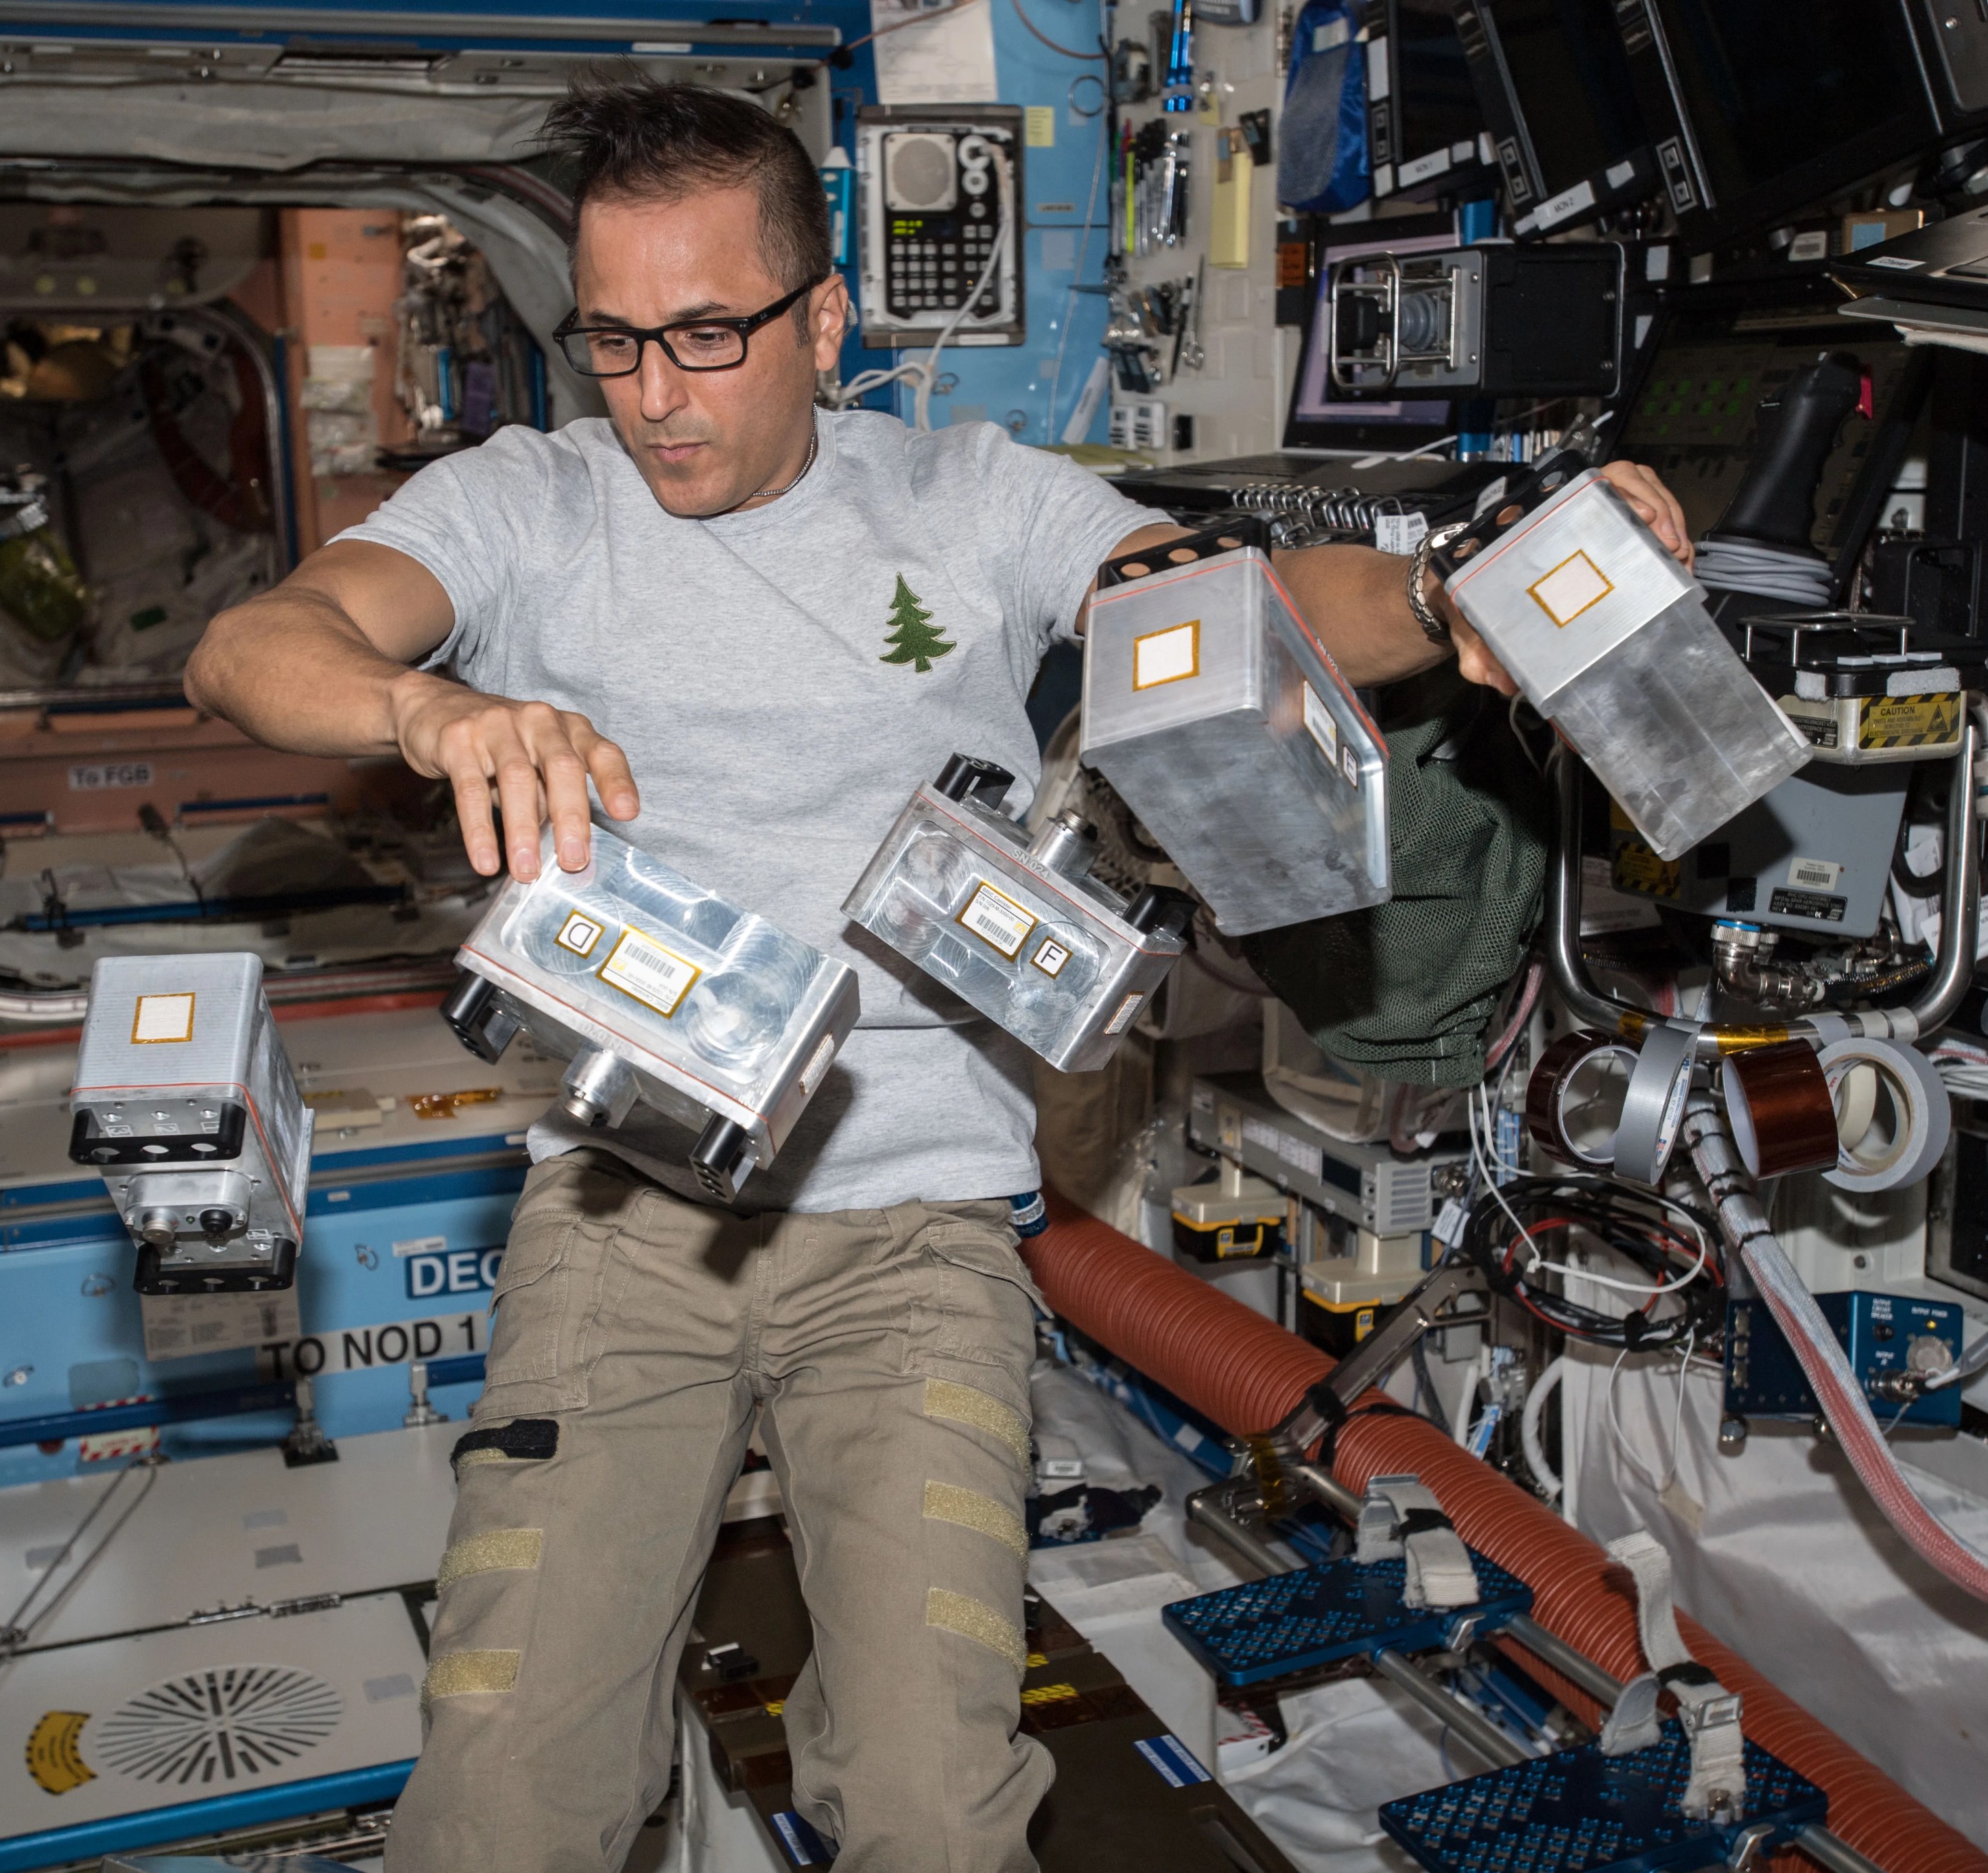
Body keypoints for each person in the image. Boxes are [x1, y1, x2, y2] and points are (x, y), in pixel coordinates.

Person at [185, 76, 1690, 1873]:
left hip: (914, 1232)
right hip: (626, 1210)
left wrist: (1455, 599)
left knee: (932, 1808)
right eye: (614, 344)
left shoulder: (969, 499)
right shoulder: (527, 504)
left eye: (706, 336)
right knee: (508, 1801)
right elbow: (249, 647)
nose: (655, 395)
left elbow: (1211, 593)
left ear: (823, 321)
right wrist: (431, 705)